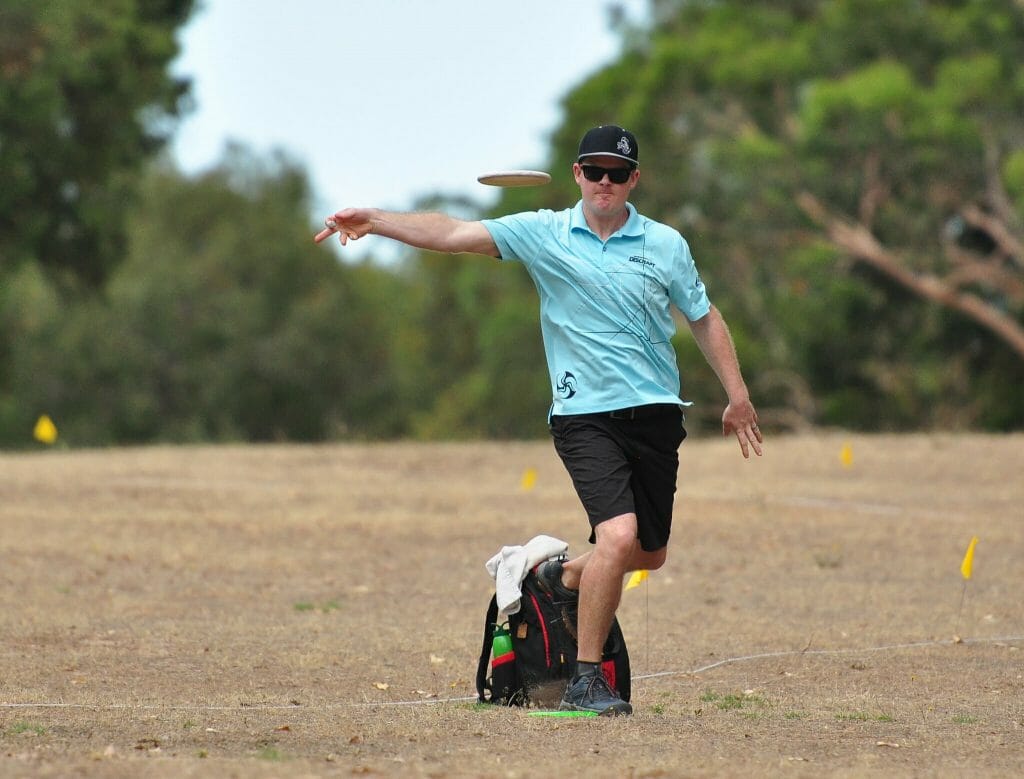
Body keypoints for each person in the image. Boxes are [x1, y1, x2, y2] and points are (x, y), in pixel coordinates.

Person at [315, 125, 763, 716]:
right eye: (594, 171)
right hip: (583, 415)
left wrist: (738, 394)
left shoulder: (666, 244)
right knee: (619, 537)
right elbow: (451, 233)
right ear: (577, 174)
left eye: (618, 173)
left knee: (648, 555)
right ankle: (585, 680)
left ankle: (556, 579)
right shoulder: (543, 232)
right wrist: (374, 219)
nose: (606, 182)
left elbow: (704, 317)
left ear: (635, 179)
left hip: (655, 417)